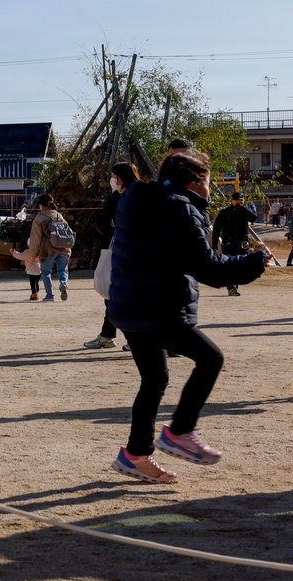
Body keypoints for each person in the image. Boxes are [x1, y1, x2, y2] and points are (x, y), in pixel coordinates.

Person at [108, 151, 270, 484]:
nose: (211, 190)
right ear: (195, 182)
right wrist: (253, 263)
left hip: (128, 306)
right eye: (209, 182)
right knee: (211, 358)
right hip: (158, 308)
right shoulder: (179, 209)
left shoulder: (137, 198)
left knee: (154, 380)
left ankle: (136, 455)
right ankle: (180, 431)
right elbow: (208, 268)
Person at [83, 162, 141, 348]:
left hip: (131, 254)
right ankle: (109, 335)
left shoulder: (135, 196)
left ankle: (137, 337)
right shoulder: (120, 196)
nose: (112, 180)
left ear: (122, 177)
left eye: (114, 176)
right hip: (118, 251)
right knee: (113, 296)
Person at [211, 191, 257, 296]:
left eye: (241, 201)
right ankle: (232, 288)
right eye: (237, 200)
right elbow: (216, 228)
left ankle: (234, 286)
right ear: (232, 201)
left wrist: (242, 208)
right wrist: (214, 244)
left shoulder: (244, 211)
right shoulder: (224, 212)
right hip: (229, 243)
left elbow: (254, 218)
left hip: (242, 243)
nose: (240, 202)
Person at [27, 193, 70, 301]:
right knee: (63, 270)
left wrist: (33, 253)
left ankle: (50, 296)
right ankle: (63, 284)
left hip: (49, 249)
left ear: (41, 205)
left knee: (46, 272)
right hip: (64, 247)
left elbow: (35, 238)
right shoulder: (58, 215)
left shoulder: (39, 218)